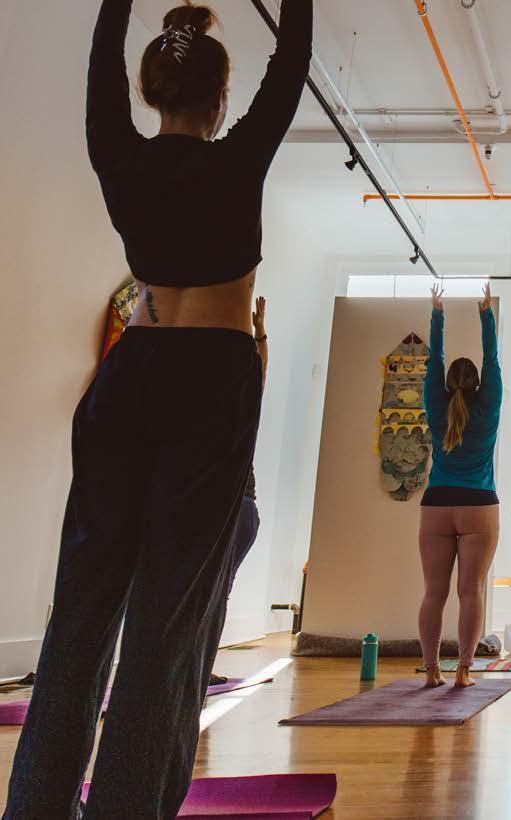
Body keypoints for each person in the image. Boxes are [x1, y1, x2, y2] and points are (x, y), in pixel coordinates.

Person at [5, 1, 311, 816]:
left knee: (80, 615)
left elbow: (99, 65)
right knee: (165, 623)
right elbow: (292, 66)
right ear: (221, 98)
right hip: (210, 382)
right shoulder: (238, 158)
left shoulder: (118, 152)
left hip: (128, 379)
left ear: (148, 90)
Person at [419, 284, 502, 689]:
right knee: (471, 592)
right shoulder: (488, 406)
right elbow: (493, 359)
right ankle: (464, 672)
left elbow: (433, 361)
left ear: (449, 383)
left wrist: (438, 314)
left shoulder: (436, 403)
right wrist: (486, 314)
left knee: (433, 593)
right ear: (478, 385)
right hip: (478, 505)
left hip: (436, 503)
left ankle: (431, 671)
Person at [207, 297, 269, 688]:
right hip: (240, 510)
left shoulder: (231, 408)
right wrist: (259, 333)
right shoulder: (245, 405)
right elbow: (260, 372)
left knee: (207, 593)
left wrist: (259, 334)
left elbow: (258, 371)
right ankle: (198, 665)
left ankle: (197, 666)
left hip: (231, 509)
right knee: (217, 593)